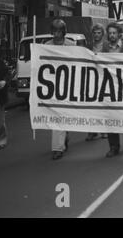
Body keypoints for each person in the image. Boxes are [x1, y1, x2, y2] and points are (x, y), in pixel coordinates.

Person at [102, 22, 123, 157]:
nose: (111, 35)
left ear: (119, 34)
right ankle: (114, 147)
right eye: (109, 33)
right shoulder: (105, 47)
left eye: (114, 33)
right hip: (110, 86)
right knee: (111, 117)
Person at [46, 19, 75, 160]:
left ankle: (64, 136)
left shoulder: (71, 45)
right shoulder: (46, 46)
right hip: (52, 87)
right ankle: (57, 148)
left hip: (68, 86)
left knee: (65, 116)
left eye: (59, 31)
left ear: (63, 31)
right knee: (57, 116)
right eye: (54, 31)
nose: (56, 34)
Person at [86, 23, 107, 141]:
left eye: (99, 33)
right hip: (91, 78)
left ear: (102, 34)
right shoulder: (88, 46)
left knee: (103, 105)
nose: (96, 35)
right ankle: (92, 131)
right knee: (91, 106)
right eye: (94, 33)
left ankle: (104, 131)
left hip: (104, 78)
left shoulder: (107, 47)